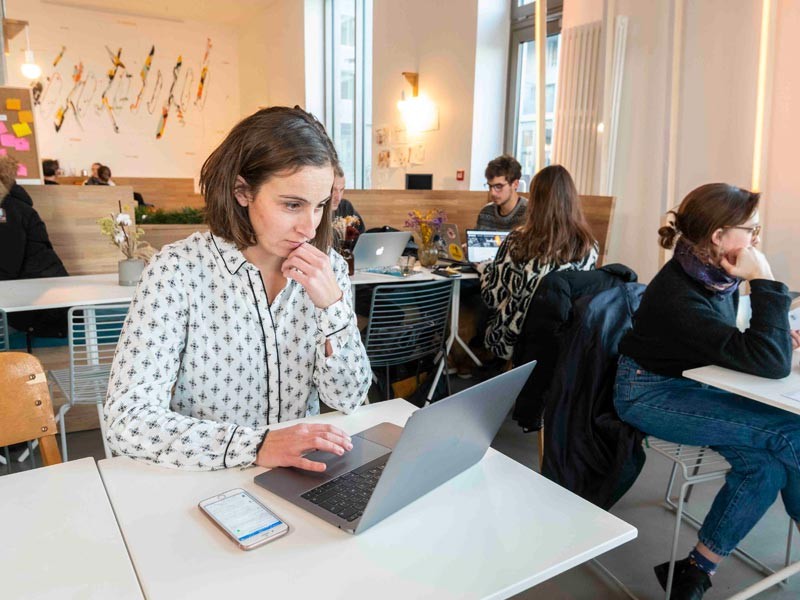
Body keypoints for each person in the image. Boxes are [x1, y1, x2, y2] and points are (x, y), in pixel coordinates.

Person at [105, 106, 372, 471]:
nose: (309, 228)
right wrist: (257, 446)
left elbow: (350, 398)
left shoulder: (330, 269)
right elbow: (127, 421)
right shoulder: (178, 270)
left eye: (320, 206)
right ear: (242, 191)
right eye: (292, 205)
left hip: (301, 476)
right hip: (206, 479)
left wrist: (333, 307)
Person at [613, 183, 800, 599]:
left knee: (765, 467)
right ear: (718, 236)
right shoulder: (679, 293)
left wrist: (778, 334)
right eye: (750, 230)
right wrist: (765, 277)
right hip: (649, 395)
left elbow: (744, 348)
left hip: (694, 383)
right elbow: (769, 363)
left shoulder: (713, 275)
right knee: (791, 432)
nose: (755, 239)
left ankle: (693, 571)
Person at [480, 164, 597, 361]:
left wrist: (484, 269)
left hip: (517, 338)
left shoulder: (517, 240)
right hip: (566, 340)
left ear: (535, 201)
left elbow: (492, 296)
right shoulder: (589, 246)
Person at [0, 156, 69, 338]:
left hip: (39, 305)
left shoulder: (6, 210)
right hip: (41, 295)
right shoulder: (11, 205)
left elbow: (7, 265)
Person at [476, 154, 528, 231]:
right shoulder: (486, 212)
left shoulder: (530, 213)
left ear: (515, 184)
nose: (492, 193)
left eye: (499, 186)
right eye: (490, 186)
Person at [331, 164, 365, 233]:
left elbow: (362, 235)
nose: (338, 197)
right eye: (333, 190)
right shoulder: (315, 213)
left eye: (341, 190)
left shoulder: (345, 207)